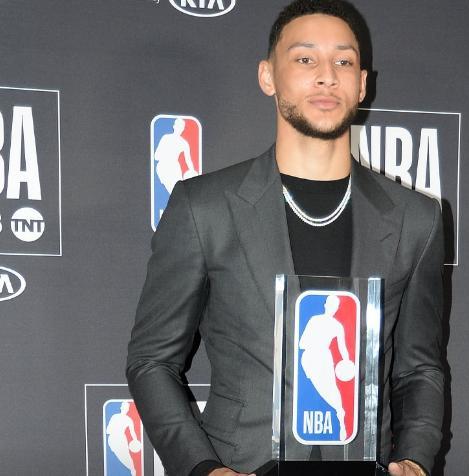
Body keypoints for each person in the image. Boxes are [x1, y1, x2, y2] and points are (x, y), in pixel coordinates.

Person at [126, 1, 445, 476]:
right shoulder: (204, 207)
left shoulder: (415, 219)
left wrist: (414, 459)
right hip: (243, 466)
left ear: (362, 83)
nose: (326, 76)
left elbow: (420, 368)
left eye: (343, 61)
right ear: (267, 76)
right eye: (305, 58)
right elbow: (152, 360)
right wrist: (202, 468)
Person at [298, 294, 352, 441]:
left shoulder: (337, 326)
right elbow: (302, 343)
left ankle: (340, 418)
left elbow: (343, 348)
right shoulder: (314, 320)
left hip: (323, 358)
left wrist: (347, 362)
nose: (331, 307)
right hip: (310, 358)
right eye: (330, 304)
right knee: (318, 388)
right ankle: (338, 412)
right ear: (325, 305)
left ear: (336, 308)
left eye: (334, 305)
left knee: (331, 388)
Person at [106, 401, 141, 476]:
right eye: (123, 407)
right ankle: (131, 469)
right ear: (121, 407)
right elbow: (108, 430)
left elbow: (132, 432)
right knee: (119, 457)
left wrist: (135, 440)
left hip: (121, 439)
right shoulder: (115, 416)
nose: (124, 408)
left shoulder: (128, 420)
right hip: (112, 439)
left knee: (126, 456)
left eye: (126, 407)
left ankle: (133, 470)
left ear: (127, 409)